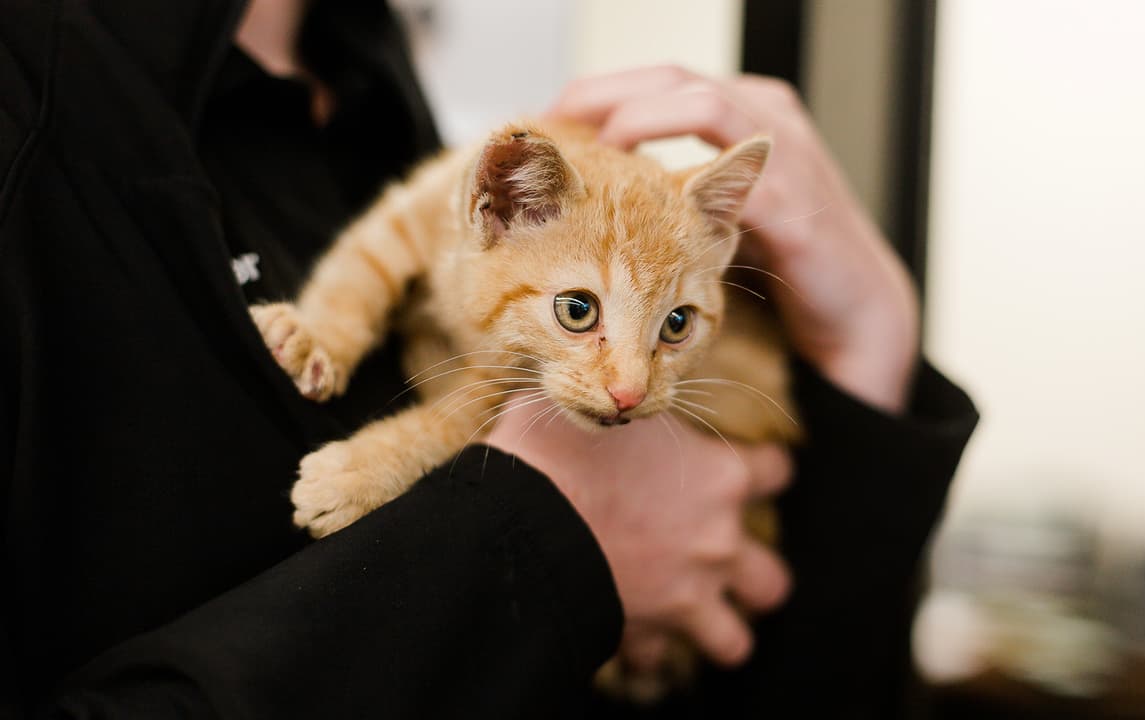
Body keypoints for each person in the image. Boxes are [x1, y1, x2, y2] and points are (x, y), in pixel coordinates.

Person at [0, 0, 977, 717]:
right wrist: (533, 542)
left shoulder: (375, 90)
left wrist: (869, 341)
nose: (632, 379)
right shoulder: (37, 104)